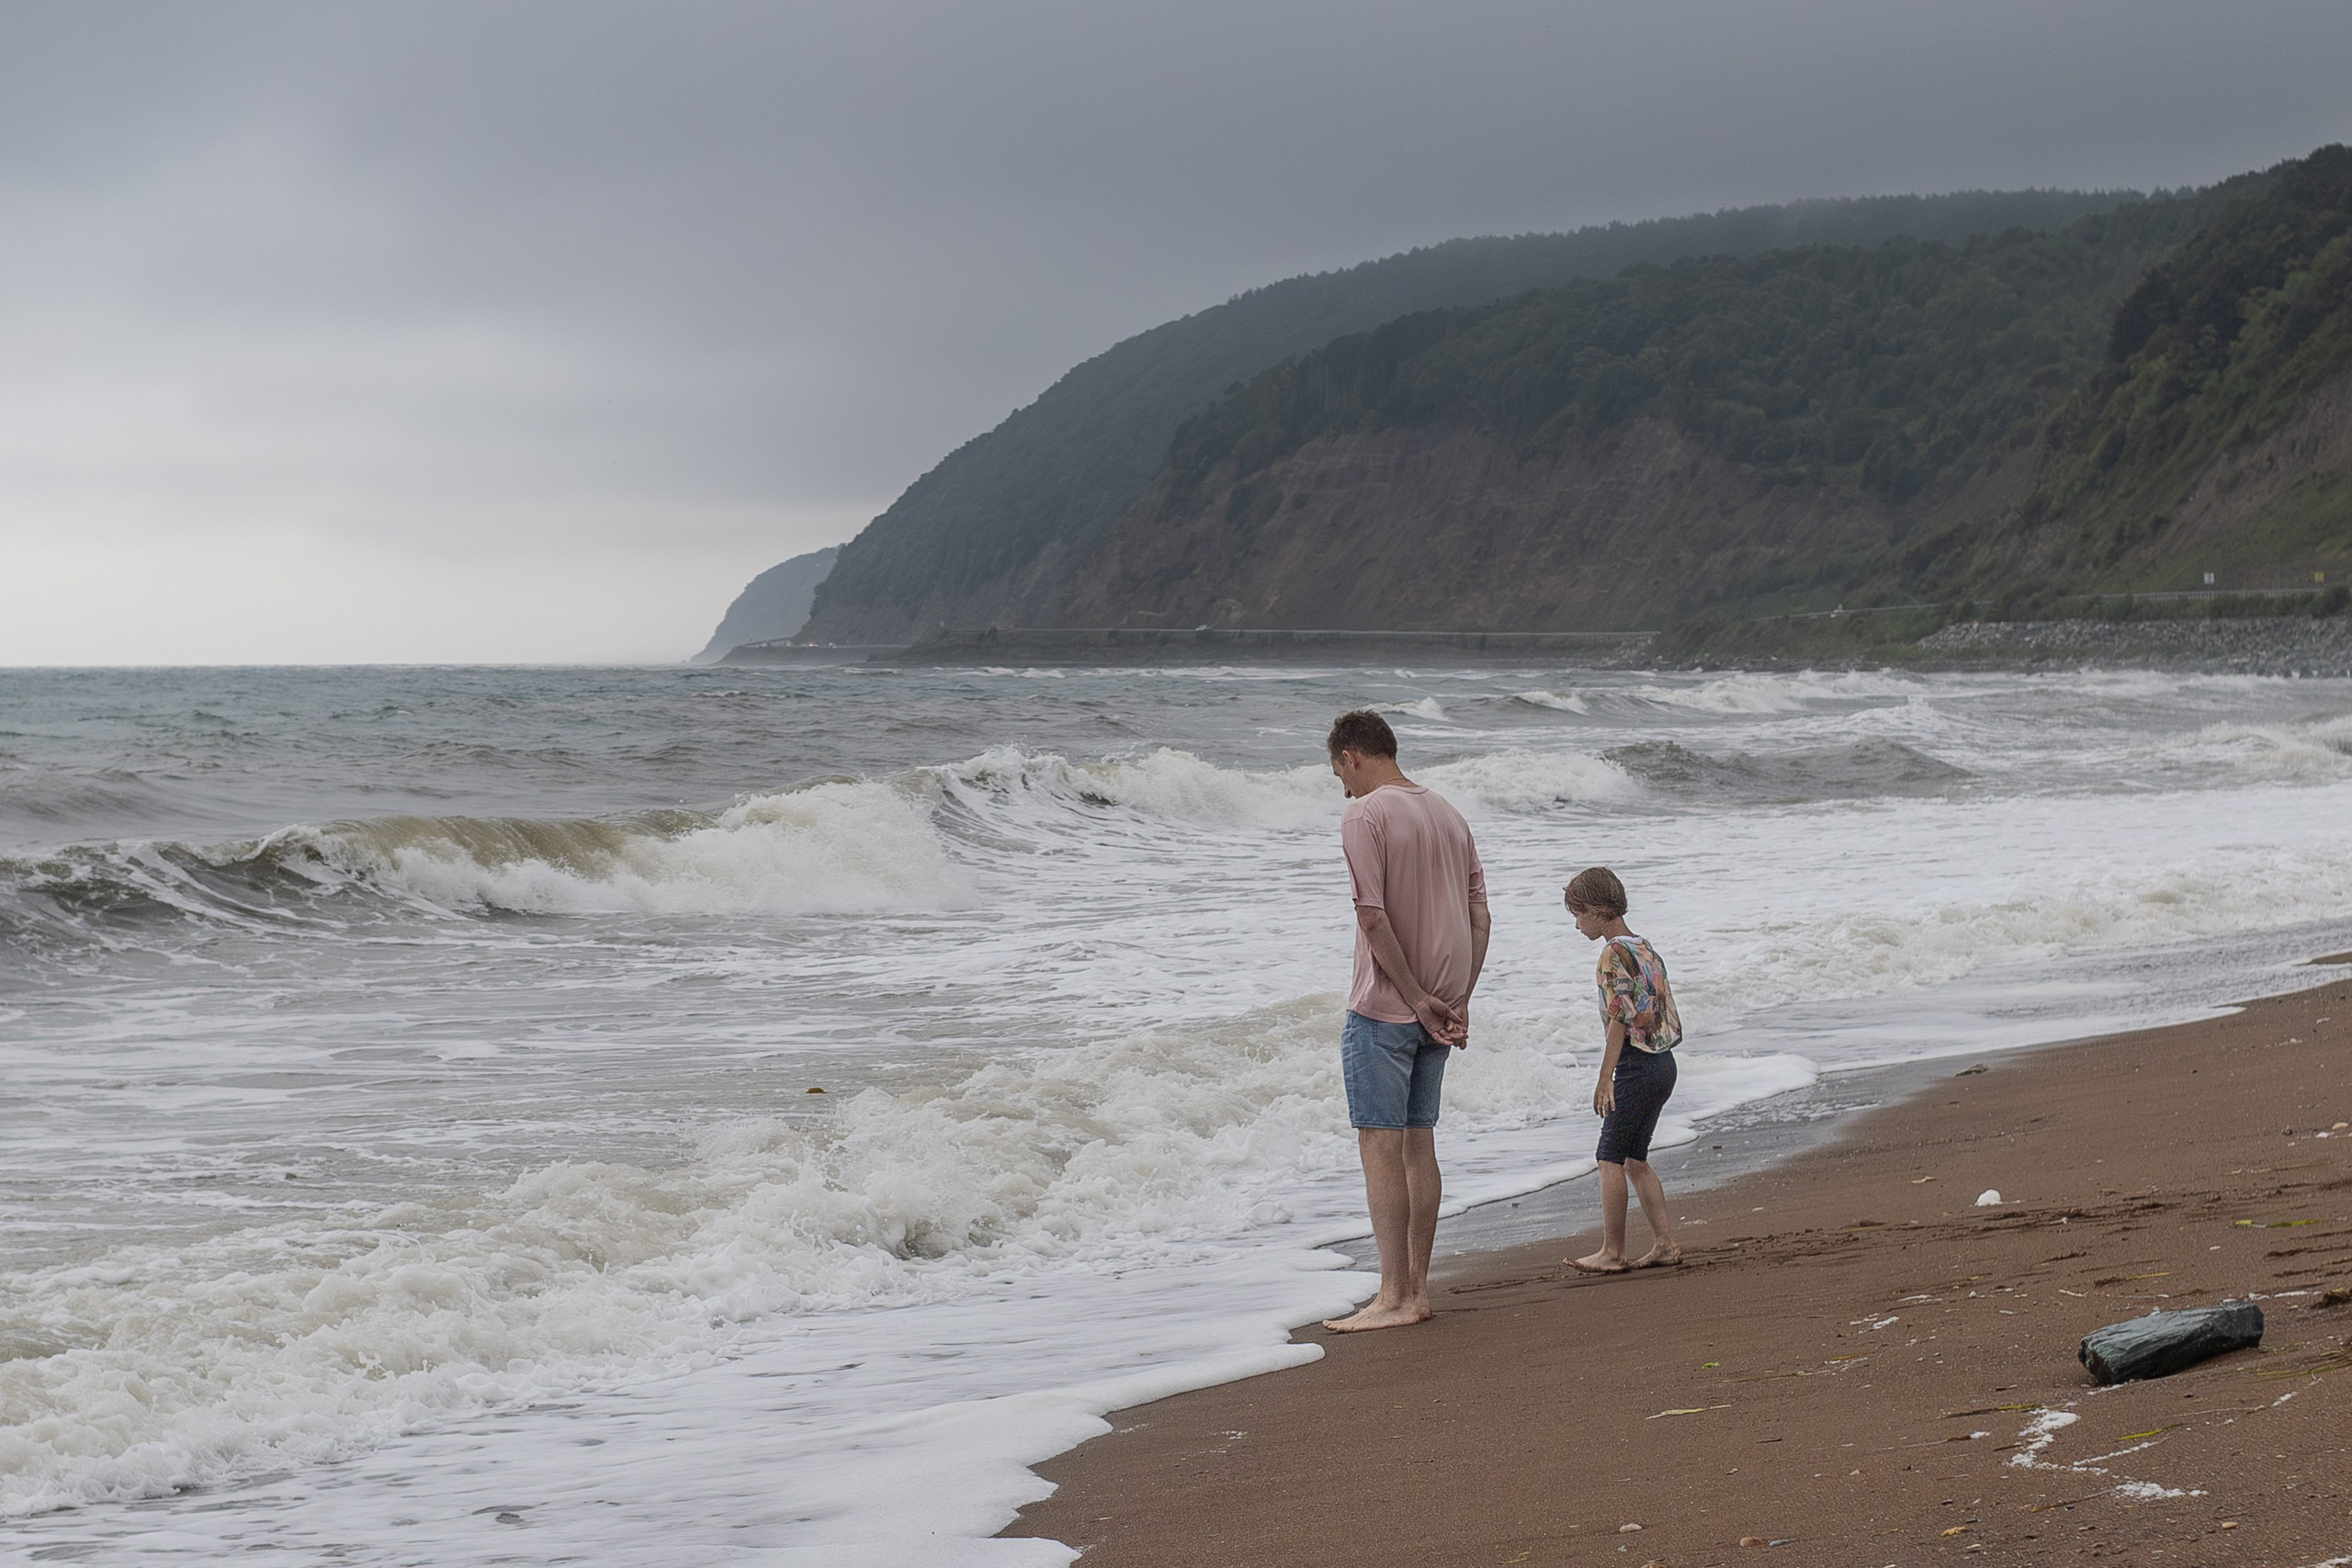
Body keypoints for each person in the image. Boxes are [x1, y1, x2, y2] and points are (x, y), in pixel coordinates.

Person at [1321, 709, 1490, 1333]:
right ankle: (1416, 1288)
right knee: (1420, 1142)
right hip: (1443, 1007)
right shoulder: (1447, 810)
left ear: (1353, 756)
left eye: (1338, 771)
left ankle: (1393, 1294)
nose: (1341, 786)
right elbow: (1479, 915)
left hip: (1389, 1006)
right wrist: (1458, 995)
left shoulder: (1364, 814)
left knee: (1379, 1143)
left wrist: (1417, 995)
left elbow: (1371, 914)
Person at [1563, 865, 1684, 1275]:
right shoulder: (1646, 948)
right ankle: (1664, 1244)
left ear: (1597, 910)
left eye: (1578, 914)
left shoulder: (1613, 952)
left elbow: (1620, 1018)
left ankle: (1612, 1251)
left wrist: (1604, 1078)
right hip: (1664, 1064)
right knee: (1634, 1158)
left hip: (1636, 1065)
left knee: (1609, 1156)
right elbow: (1654, 1010)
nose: (1577, 924)